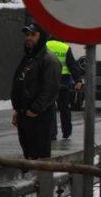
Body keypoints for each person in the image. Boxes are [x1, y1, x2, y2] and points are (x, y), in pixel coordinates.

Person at [11, 23, 61, 159]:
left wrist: (35, 109)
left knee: (39, 155)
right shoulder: (28, 58)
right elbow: (21, 83)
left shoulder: (49, 60)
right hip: (24, 114)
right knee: (28, 154)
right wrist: (18, 110)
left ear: (42, 37)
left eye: (33, 35)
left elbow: (50, 89)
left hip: (38, 116)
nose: (29, 38)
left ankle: (41, 179)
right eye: (27, 35)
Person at [46, 38, 84, 140]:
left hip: (49, 80)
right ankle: (67, 132)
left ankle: (52, 133)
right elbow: (72, 65)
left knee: (50, 107)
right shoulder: (65, 48)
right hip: (64, 82)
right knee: (64, 108)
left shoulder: (45, 46)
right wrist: (78, 80)